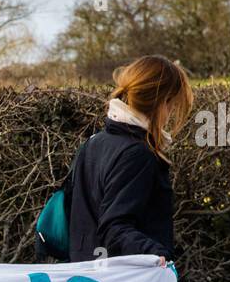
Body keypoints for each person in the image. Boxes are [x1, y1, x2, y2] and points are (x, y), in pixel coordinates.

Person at [67, 55, 194, 265]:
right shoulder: (137, 154)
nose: (171, 113)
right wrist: (156, 255)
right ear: (161, 102)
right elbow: (114, 228)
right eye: (171, 104)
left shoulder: (95, 142)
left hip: (86, 275)